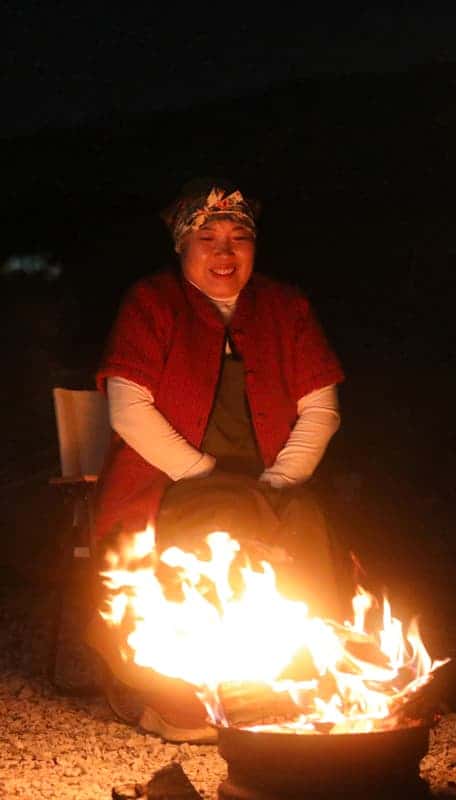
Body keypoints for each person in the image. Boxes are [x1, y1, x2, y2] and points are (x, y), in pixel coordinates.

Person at [86, 178, 345, 742]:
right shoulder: (152, 302)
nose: (225, 252)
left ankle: (281, 688)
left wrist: (279, 479)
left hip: (270, 477)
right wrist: (205, 473)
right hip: (167, 479)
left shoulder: (286, 306)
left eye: (238, 237)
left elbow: (320, 408)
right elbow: (129, 411)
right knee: (218, 520)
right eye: (208, 237)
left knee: (307, 525)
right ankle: (181, 700)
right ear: (182, 246)